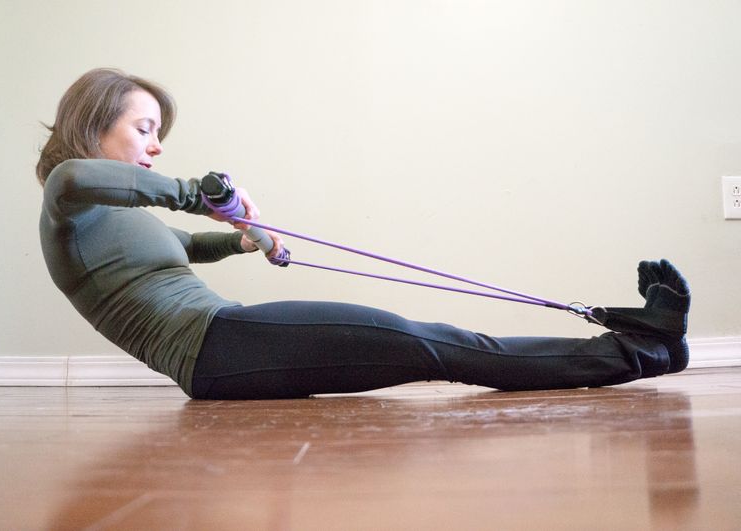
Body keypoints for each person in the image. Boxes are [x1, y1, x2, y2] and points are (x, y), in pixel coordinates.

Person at [38, 68, 691, 400]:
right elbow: (84, 182)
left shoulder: (127, 219)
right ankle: (641, 353)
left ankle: (647, 345)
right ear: (95, 123)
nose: (154, 146)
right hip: (215, 351)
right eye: (144, 128)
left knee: (433, 345)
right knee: (434, 345)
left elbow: (184, 248)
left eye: (160, 134)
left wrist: (246, 239)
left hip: (228, 340)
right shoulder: (69, 203)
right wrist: (198, 193)